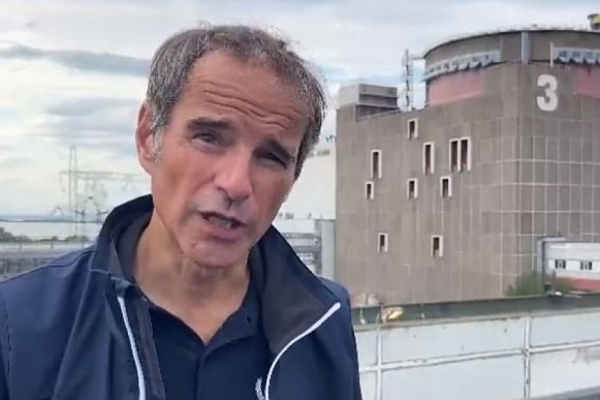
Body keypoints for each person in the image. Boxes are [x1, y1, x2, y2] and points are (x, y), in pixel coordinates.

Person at [0, 24, 362, 400]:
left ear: (293, 178)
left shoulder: (324, 322)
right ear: (148, 137)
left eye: (271, 157)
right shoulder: (20, 325)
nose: (237, 184)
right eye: (209, 137)